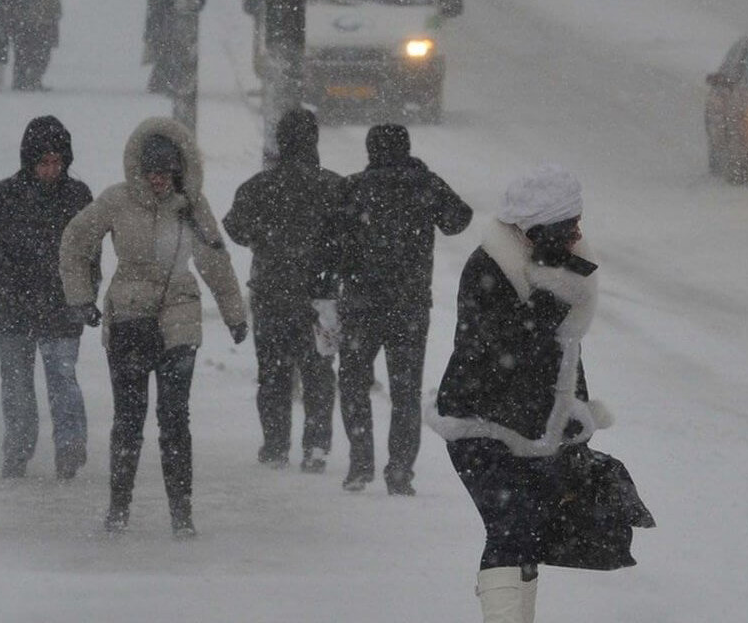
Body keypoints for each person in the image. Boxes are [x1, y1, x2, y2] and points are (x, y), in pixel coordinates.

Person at [426, 165, 650, 623]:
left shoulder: (552, 269)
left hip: (535, 430)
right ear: (537, 229)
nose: (578, 234)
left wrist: (575, 423)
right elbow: (499, 350)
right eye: (570, 226)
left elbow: (564, 357)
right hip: (481, 426)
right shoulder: (490, 269)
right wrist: (554, 292)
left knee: (525, 536)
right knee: (508, 532)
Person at [58, 117, 248, 540]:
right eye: (151, 173)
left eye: (166, 172)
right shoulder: (116, 202)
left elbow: (215, 261)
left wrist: (234, 313)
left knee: (175, 419)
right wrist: (81, 297)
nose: (159, 181)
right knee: (128, 419)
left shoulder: (193, 207)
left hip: (179, 320)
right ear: (139, 172)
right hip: (128, 319)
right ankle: (119, 508)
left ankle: (182, 514)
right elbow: (75, 242)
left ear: (178, 170)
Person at [330, 124, 472, 495]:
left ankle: (361, 464)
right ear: (406, 149)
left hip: (360, 305)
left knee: (353, 383)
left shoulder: (354, 188)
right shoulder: (423, 185)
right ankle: (399, 472)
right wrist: (421, 177)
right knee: (405, 392)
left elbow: (329, 242)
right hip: (408, 307)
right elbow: (459, 219)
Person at [0, 115, 96, 480]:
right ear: (30, 161)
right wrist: (7, 287)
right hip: (14, 309)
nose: (51, 170)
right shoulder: (2, 196)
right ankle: (18, 450)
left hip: (61, 307)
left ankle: (70, 450)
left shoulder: (78, 196)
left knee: (63, 379)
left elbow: (89, 253)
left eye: (58, 162)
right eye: (44, 162)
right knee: (16, 387)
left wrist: (84, 295)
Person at [223, 109, 343, 472]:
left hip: (271, 294)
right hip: (320, 297)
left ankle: (275, 445)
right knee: (319, 373)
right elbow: (352, 238)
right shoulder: (336, 187)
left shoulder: (257, 187)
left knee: (273, 374)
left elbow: (235, 229)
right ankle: (316, 447)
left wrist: (268, 240)